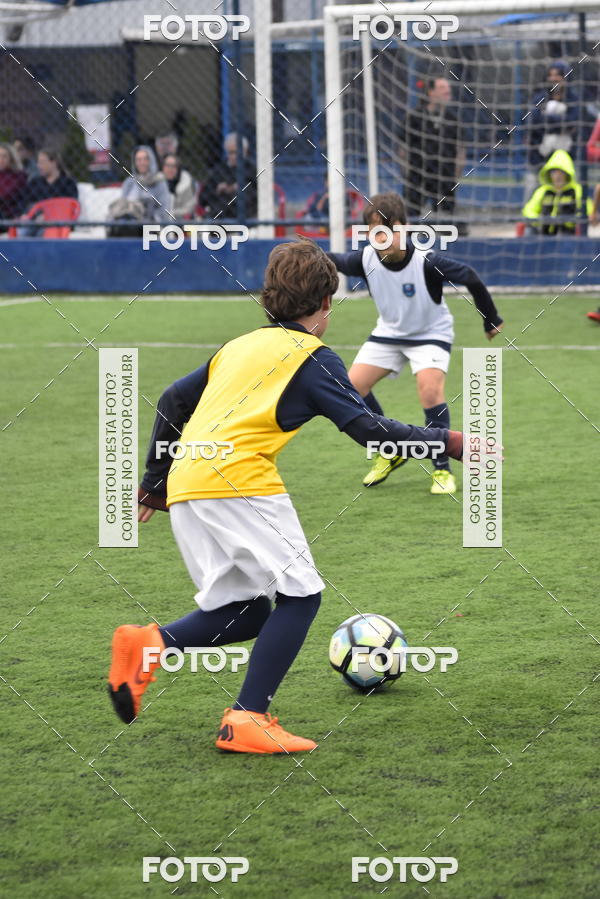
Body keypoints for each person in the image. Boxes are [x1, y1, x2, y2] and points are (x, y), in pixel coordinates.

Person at [107, 238, 468, 754]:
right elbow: (369, 431)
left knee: (249, 611)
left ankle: (148, 644)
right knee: (302, 595)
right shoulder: (314, 358)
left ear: (268, 299)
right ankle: (248, 717)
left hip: (189, 484)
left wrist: (156, 481)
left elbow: (171, 399)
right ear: (325, 304)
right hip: (239, 483)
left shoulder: (237, 347)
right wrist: (449, 442)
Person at [328, 192, 503, 495]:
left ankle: (442, 469)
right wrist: (305, 251)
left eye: (391, 230)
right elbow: (336, 261)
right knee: (352, 387)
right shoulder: (365, 258)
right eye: (376, 232)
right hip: (389, 334)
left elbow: (471, 277)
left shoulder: (426, 262)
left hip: (430, 333)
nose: (384, 238)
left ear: (405, 229)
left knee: (429, 389)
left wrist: (491, 318)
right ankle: (389, 449)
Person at [399, 77, 466, 228]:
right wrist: (406, 174)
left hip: (444, 178)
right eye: (442, 88)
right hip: (417, 177)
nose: (448, 91)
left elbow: (461, 150)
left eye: (448, 88)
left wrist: (456, 176)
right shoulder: (414, 118)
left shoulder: (453, 119)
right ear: (431, 92)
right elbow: (403, 149)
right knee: (411, 219)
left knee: (448, 223)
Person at [523, 149, 591, 235]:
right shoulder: (543, 190)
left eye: (561, 172)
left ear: (567, 173)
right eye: (554, 172)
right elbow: (529, 210)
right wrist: (539, 220)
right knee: (529, 231)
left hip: (568, 234)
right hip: (544, 233)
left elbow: (588, 210)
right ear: (549, 174)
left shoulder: (577, 190)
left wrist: (572, 220)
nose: (557, 176)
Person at [528, 62, 581, 170]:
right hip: (540, 156)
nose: (553, 78)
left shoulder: (574, 99)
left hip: (568, 155)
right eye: (550, 75)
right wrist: (558, 124)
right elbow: (533, 122)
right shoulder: (539, 99)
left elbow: (572, 122)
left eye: (557, 75)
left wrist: (547, 121)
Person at [108, 145, 171, 235]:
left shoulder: (159, 182)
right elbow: (123, 204)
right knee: (120, 224)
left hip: (148, 223)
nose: (142, 163)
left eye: (145, 159)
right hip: (127, 219)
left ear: (151, 161)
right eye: (138, 160)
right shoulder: (129, 182)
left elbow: (163, 210)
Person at [199, 132, 257, 219]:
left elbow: (256, 195)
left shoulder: (252, 170)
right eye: (230, 152)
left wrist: (237, 189)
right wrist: (217, 189)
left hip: (244, 216)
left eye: (236, 152)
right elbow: (203, 198)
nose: (233, 156)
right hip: (219, 216)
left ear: (245, 151)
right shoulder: (219, 170)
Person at [0, 142, 27, 231]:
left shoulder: (18, 175)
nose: (1, 159)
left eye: (4, 156)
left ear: (11, 158)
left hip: (9, 215)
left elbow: (5, 194)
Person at [162, 153, 196, 220]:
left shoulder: (186, 183)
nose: (170, 169)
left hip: (180, 221)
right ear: (163, 167)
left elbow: (188, 209)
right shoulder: (158, 182)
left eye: (173, 166)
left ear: (178, 169)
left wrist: (171, 213)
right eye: (167, 165)